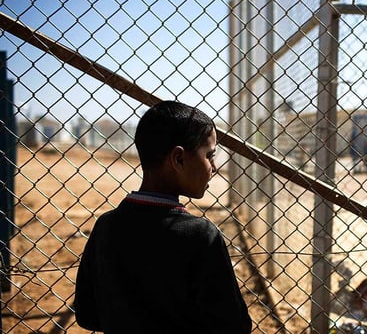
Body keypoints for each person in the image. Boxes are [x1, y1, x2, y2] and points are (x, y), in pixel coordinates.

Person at [73, 101, 252, 333]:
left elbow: (88, 315)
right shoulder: (200, 236)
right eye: (210, 156)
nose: (214, 167)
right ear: (178, 159)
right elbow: (234, 326)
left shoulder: (106, 226)